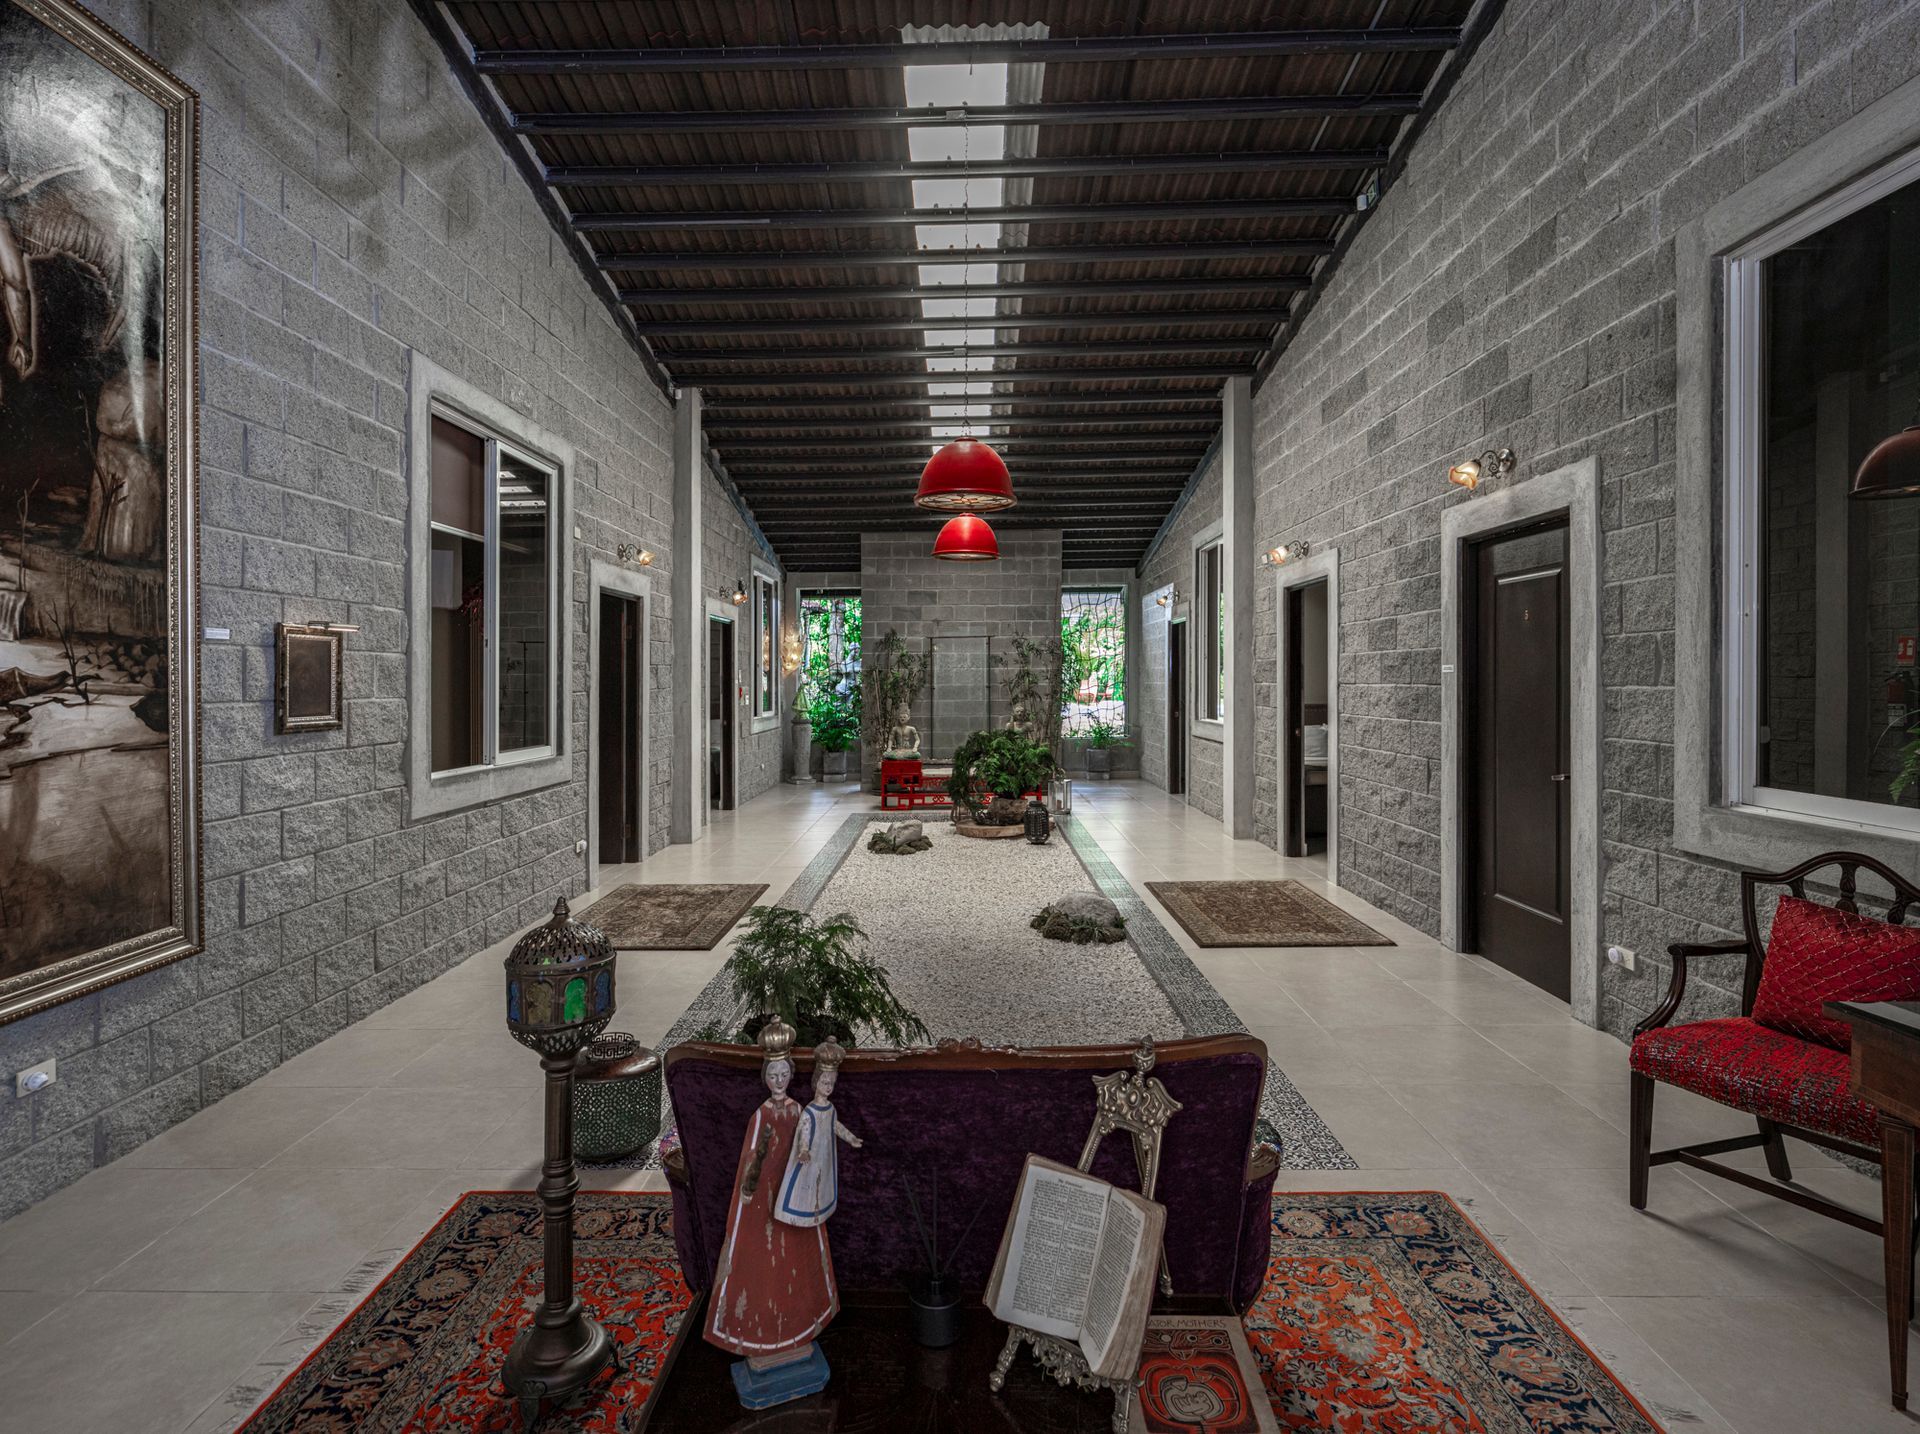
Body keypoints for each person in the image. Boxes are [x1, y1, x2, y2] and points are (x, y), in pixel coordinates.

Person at [703, 1019, 840, 1378]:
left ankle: (796, 1328)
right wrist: (749, 1190)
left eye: (784, 1075)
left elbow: (810, 1144)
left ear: (791, 1075)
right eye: (773, 1075)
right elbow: (752, 1160)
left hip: (793, 1200)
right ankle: (759, 1332)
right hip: (762, 1203)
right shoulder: (761, 1114)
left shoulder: (798, 1111)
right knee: (759, 1265)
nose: (779, 1081)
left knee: (798, 1258)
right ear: (766, 1076)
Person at [776, 1039, 863, 1227]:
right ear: (816, 1082)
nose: (828, 1086)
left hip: (824, 1156)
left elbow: (835, 1126)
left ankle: (818, 1208)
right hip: (810, 1157)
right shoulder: (809, 1111)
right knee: (806, 1183)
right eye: (825, 1082)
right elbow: (804, 1133)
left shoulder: (830, 1108)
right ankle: (799, 1211)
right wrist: (804, 1150)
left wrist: (851, 1138)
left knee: (822, 1182)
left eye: (831, 1082)